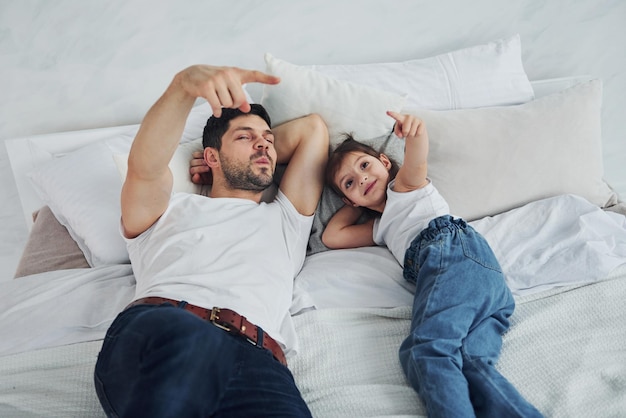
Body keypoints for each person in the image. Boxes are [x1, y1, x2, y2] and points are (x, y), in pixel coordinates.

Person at [94, 64, 329, 417]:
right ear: (211, 157)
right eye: (246, 137)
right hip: (167, 327)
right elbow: (145, 169)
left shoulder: (286, 220)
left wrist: (253, 144)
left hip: (257, 358)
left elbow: (313, 129)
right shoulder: (170, 209)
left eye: (268, 140)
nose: (264, 145)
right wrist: (183, 87)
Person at [320, 111, 543, 418]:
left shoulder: (405, 188)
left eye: (365, 165)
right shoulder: (381, 228)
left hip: (452, 255)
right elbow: (333, 236)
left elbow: (416, 156)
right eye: (350, 182)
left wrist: (414, 131)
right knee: (471, 362)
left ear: (385, 163)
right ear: (349, 200)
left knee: (427, 350)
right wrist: (353, 203)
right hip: (483, 280)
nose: (362, 178)